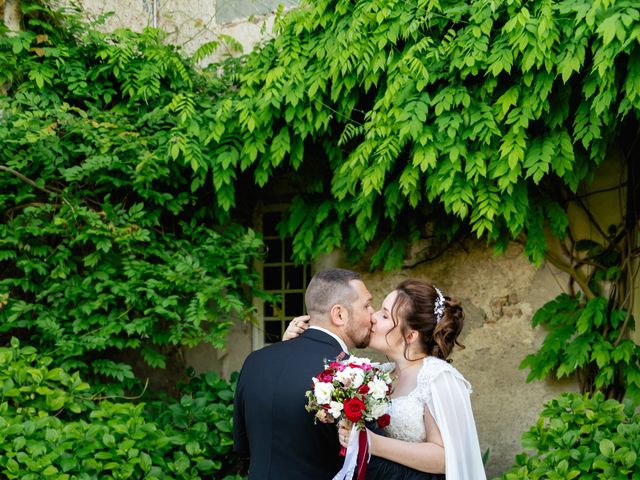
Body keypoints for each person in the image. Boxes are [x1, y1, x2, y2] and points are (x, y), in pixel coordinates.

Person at [284, 279, 487, 480]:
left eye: (384, 315)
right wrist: (293, 346)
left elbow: (445, 458)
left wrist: (372, 442)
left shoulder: (438, 377)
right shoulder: (378, 374)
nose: (373, 317)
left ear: (410, 335)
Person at [233, 268, 375, 479]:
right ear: (339, 314)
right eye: (367, 305)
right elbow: (365, 460)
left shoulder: (255, 361)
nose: (373, 313)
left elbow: (242, 446)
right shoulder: (353, 374)